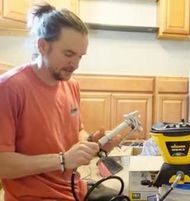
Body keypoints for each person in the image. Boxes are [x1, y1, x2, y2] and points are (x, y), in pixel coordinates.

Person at [0, 2, 121, 201]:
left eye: (80, 56)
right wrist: (63, 160)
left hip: (74, 190)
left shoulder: (71, 84)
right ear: (42, 46)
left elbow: (75, 133)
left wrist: (93, 143)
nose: (75, 64)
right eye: (68, 54)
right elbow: (2, 164)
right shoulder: (9, 88)